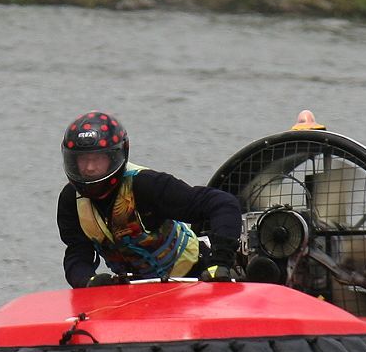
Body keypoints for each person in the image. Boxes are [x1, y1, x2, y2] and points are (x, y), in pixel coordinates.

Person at [57, 110, 242, 287]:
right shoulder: (71, 200)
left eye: (97, 159)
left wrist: (220, 262)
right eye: (83, 160)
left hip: (195, 278)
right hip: (135, 289)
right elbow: (77, 252)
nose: (89, 168)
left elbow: (223, 204)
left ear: (115, 156)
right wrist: (88, 281)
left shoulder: (146, 185)